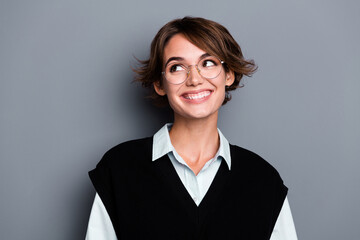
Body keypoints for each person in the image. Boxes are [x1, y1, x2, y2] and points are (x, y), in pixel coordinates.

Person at [85, 16, 298, 240]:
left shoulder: (263, 181)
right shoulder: (119, 170)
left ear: (228, 74)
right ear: (160, 83)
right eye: (177, 67)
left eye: (208, 63)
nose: (194, 79)